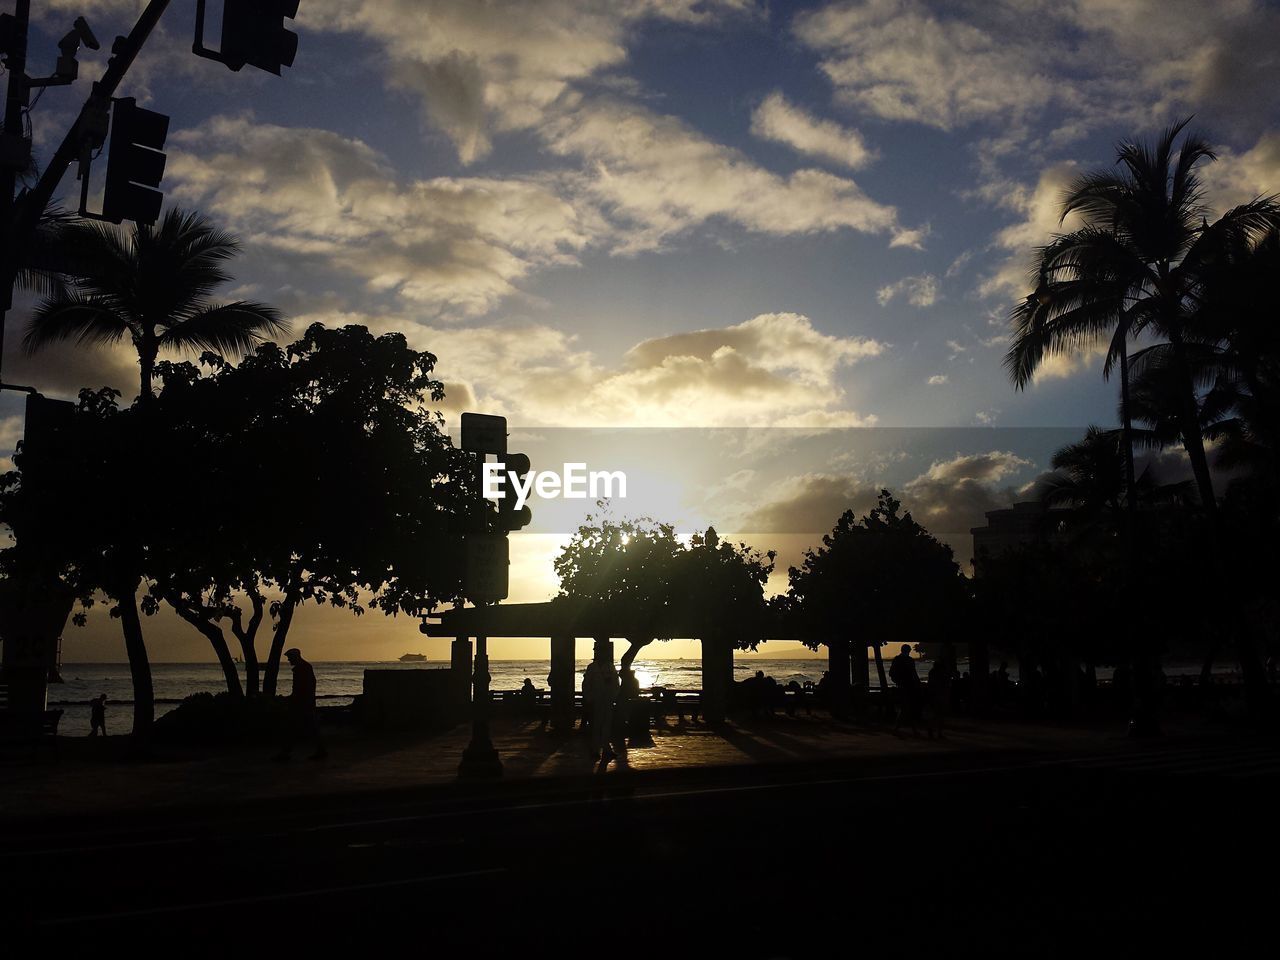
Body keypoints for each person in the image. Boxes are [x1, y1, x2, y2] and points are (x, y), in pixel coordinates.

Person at [273, 648, 327, 761]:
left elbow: (302, 688)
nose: (288, 660)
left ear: (295, 657)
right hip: (305, 703)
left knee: (294, 727)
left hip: (302, 704)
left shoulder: (302, 669)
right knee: (307, 728)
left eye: (289, 658)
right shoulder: (305, 667)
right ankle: (319, 750)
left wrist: (295, 699)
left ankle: (286, 752)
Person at [583, 656, 619, 763]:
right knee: (596, 725)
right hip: (596, 700)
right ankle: (596, 750)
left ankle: (606, 749)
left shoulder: (610, 667)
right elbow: (586, 684)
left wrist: (613, 697)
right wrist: (589, 698)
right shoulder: (592, 667)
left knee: (606, 725)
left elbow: (616, 683)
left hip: (607, 700)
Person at [889, 644, 921, 733]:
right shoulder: (909, 660)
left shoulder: (897, 659)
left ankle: (898, 728)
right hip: (908, 686)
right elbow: (914, 673)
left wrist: (898, 682)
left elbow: (891, 673)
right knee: (907, 707)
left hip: (903, 686)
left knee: (905, 708)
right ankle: (900, 728)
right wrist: (918, 683)